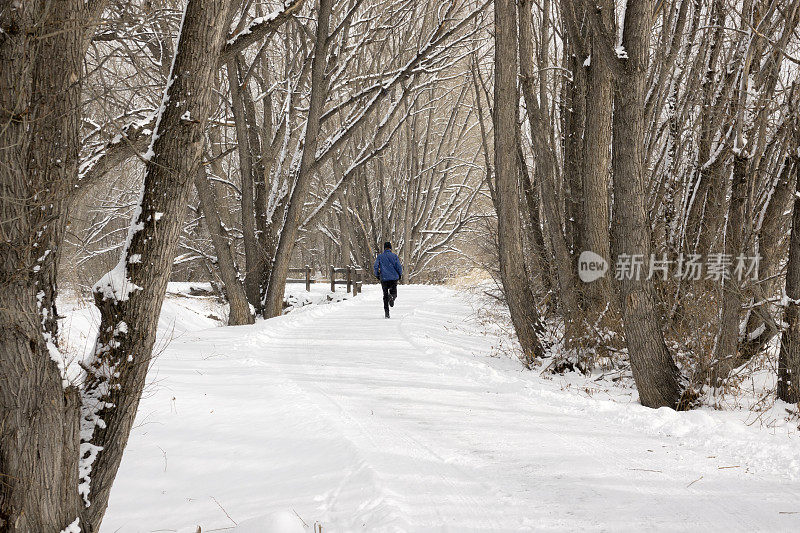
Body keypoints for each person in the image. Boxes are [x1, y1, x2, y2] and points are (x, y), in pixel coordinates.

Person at [373, 242, 403, 318]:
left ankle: (387, 313)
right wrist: (400, 274)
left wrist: (377, 275)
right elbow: (399, 266)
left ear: (384, 248)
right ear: (390, 248)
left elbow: (376, 266)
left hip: (384, 278)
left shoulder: (380, 257)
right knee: (394, 293)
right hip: (393, 278)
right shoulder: (394, 256)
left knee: (385, 295)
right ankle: (392, 297)